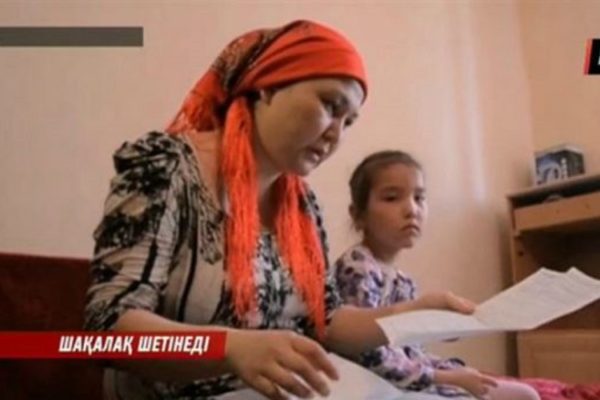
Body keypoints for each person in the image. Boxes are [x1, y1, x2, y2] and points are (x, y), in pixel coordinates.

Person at [84, 20, 475, 400]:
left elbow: (327, 324)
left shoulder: (302, 206)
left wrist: (417, 314)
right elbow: (107, 330)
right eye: (330, 105)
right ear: (267, 87)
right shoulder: (165, 169)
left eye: (349, 122)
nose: (336, 134)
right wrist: (230, 348)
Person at [334, 150, 541, 400]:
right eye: (391, 198)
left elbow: (412, 351)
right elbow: (369, 356)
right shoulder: (357, 267)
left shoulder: (403, 281)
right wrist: (445, 378)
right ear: (358, 215)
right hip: (378, 384)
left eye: (419, 198)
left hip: (411, 377)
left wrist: (451, 361)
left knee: (525, 394)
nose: (412, 210)